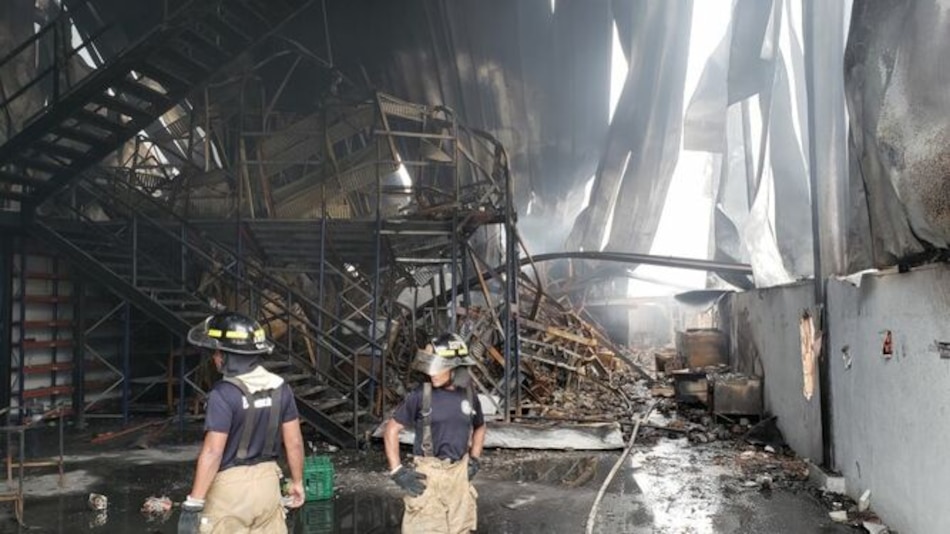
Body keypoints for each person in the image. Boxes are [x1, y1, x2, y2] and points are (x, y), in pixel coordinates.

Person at [178, 312, 306, 534]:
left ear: (228, 357)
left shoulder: (223, 394)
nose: (215, 357)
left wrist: (194, 503)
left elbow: (213, 452)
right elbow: (294, 442)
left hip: (229, 492)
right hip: (268, 487)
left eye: (217, 352)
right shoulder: (281, 388)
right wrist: (297, 482)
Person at [383, 333, 487, 534]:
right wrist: (397, 471)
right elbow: (391, 429)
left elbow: (480, 427)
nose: (433, 373)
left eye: (439, 367)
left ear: (455, 368)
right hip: (428, 475)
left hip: (459, 475)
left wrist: (475, 459)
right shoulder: (421, 396)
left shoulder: (469, 394)